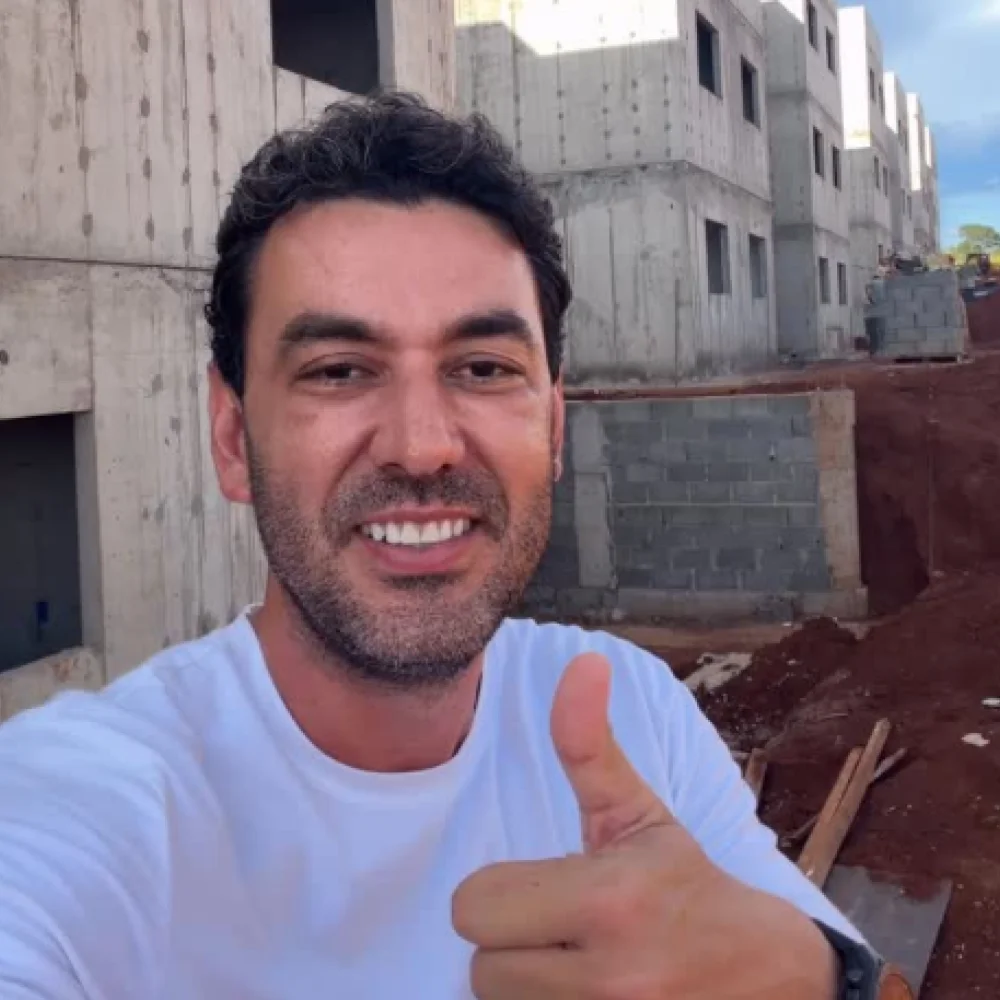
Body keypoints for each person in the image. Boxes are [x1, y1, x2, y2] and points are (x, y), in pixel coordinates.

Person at [0, 92, 890, 999]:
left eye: (483, 369)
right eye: (339, 371)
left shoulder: (631, 716)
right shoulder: (79, 809)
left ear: (552, 428)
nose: (422, 446)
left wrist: (813, 976)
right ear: (233, 438)